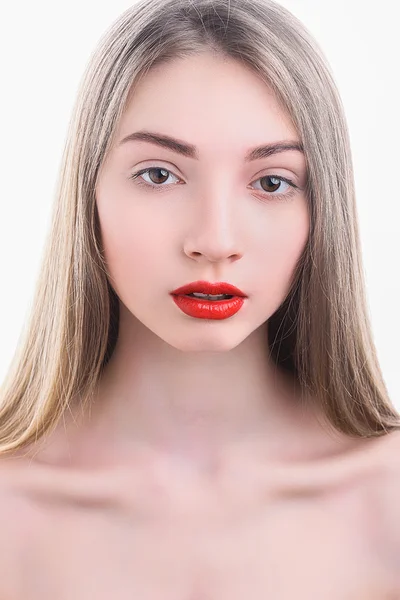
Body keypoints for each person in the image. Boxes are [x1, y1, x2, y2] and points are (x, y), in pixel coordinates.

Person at [0, 0, 399, 597]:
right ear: (87, 193)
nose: (215, 241)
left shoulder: (388, 502)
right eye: (159, 174)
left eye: (271, 182)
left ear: (322, 210)